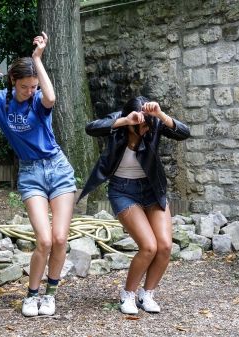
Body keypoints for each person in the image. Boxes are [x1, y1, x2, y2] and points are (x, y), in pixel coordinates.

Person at [0, 32, 76, 317]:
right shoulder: (0, 101)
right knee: (44, 241)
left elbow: (51, 96)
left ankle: (51, 294)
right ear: (12, 82)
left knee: (60, 239)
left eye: (33, 86)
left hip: (58, 168)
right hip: (31, 172)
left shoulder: (38, 101)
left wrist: (37, 59)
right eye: (24, 87)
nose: (29, 92)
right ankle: (31, 295)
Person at [78, 96, 190, 314]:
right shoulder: (121, 121)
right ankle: (127, 294)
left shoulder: (154, 122)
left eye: (149, 124)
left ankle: (146, 294)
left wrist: (159, 115)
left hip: (151, 189)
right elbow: (91, 128)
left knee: (165, 246)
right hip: (122, 190)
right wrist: (125, 120)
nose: (147, 128)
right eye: (142, 125)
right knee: (149, 247)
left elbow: (184, 133)